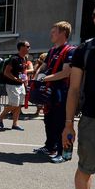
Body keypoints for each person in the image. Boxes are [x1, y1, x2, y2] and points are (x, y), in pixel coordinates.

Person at [62, 3, 95, 189]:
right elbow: (74, 89)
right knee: (86, 167)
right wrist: (68, 124)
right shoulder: (85, 50)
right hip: (92, 119)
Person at [33, 22, 75, 163]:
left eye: (54, 31)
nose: (51, 34)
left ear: (63, 33)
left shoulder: (70, 50)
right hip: (49, 91)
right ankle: (50, 147)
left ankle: (64, 153)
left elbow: (66, 72)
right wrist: (37, 76)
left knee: (61, 122)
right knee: (49, 120)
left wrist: (44, 78)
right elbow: (44, 66)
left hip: (62, 92)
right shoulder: (52, 51)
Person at [0, 41, 30, 131]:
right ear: (22, 47)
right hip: (12, 85)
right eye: (27, 46)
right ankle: (0, 117)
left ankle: (15, 124)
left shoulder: (24, 58)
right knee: (14, 104)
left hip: (21, 85)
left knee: (19, 105)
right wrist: (16, 79)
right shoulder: (14, 59)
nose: (29, 48)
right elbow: (6, 72)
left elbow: (24, 70)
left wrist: (25, 80)